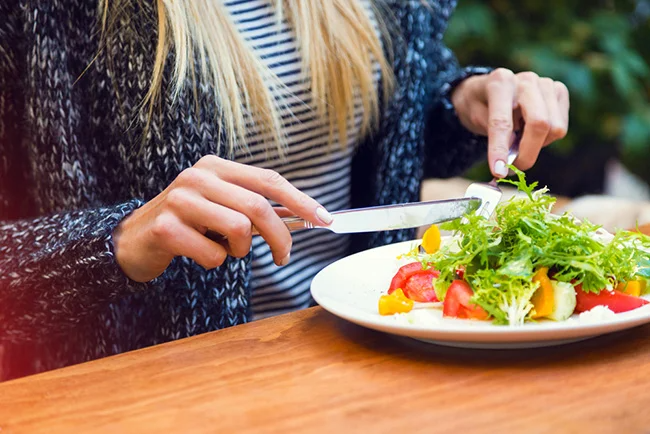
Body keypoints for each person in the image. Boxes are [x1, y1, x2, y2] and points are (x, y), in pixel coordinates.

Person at [0, 0, 569, 380]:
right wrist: (113, 243)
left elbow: (387, 129)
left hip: (376, 364)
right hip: (167, 395)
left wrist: (460, 101)